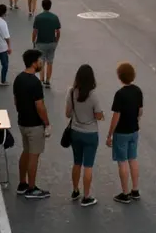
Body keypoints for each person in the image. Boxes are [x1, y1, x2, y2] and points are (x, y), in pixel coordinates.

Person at [13, 49, 52, 199]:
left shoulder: (19, 79)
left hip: (22, 121)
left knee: (26, 152)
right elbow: (40, 106)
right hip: (34, 124)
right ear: (34, 63)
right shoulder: (35, 82)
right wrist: (47, 123)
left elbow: (16, 101)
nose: (41, 62)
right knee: (34, 156)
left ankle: (22, 183)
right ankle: (32, 187)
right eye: (40, 60)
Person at [65, 65, 103, 207]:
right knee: (88, 165)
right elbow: (99, 115)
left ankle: (75, 190)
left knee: (77, 162)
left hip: (75, 131)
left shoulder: (71, 92)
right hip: (90, 133)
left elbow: (67, 114)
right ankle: (86, 196)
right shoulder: (93, 95)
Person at [107, 62, 143, 204]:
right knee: (132, 159)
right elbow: (140, 111)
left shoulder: (120, 94)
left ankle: (125, 193)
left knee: (122, 162)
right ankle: (135, 190)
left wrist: (110, 134)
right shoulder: (138, 91)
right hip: (134, 129)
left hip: (121, 132)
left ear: (120, 77)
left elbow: (116, 116)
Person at [32, 0, 61, 87]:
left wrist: (33, 41)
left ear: (42, 6)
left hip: (41, 42)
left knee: (41, 61)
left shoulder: (38, 17)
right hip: (52, 42)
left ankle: (41, 79)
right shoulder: (55, 17)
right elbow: (58, 31)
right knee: (50, 62)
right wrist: (56, 40)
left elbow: (35, 31)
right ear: (50, 6)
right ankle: (48, 80)